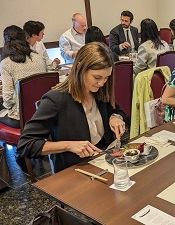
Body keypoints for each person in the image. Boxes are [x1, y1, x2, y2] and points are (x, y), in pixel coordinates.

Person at [17, 42, 127, 173]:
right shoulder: (56, 99)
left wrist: (115, 117)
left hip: (102, 161)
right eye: (97, 77)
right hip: (74, 170)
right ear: (80, 67)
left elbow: (117, 110)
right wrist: (69, 145)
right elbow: (26, 145)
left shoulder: (99, 92)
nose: (102, 83)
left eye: (106, 78)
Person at [0, 25, 46, 128]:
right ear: (25, 38)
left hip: (21, 119)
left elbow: (8, 97)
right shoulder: (39, 58)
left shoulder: (6, 63)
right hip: (43, 113)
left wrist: (9, 109)